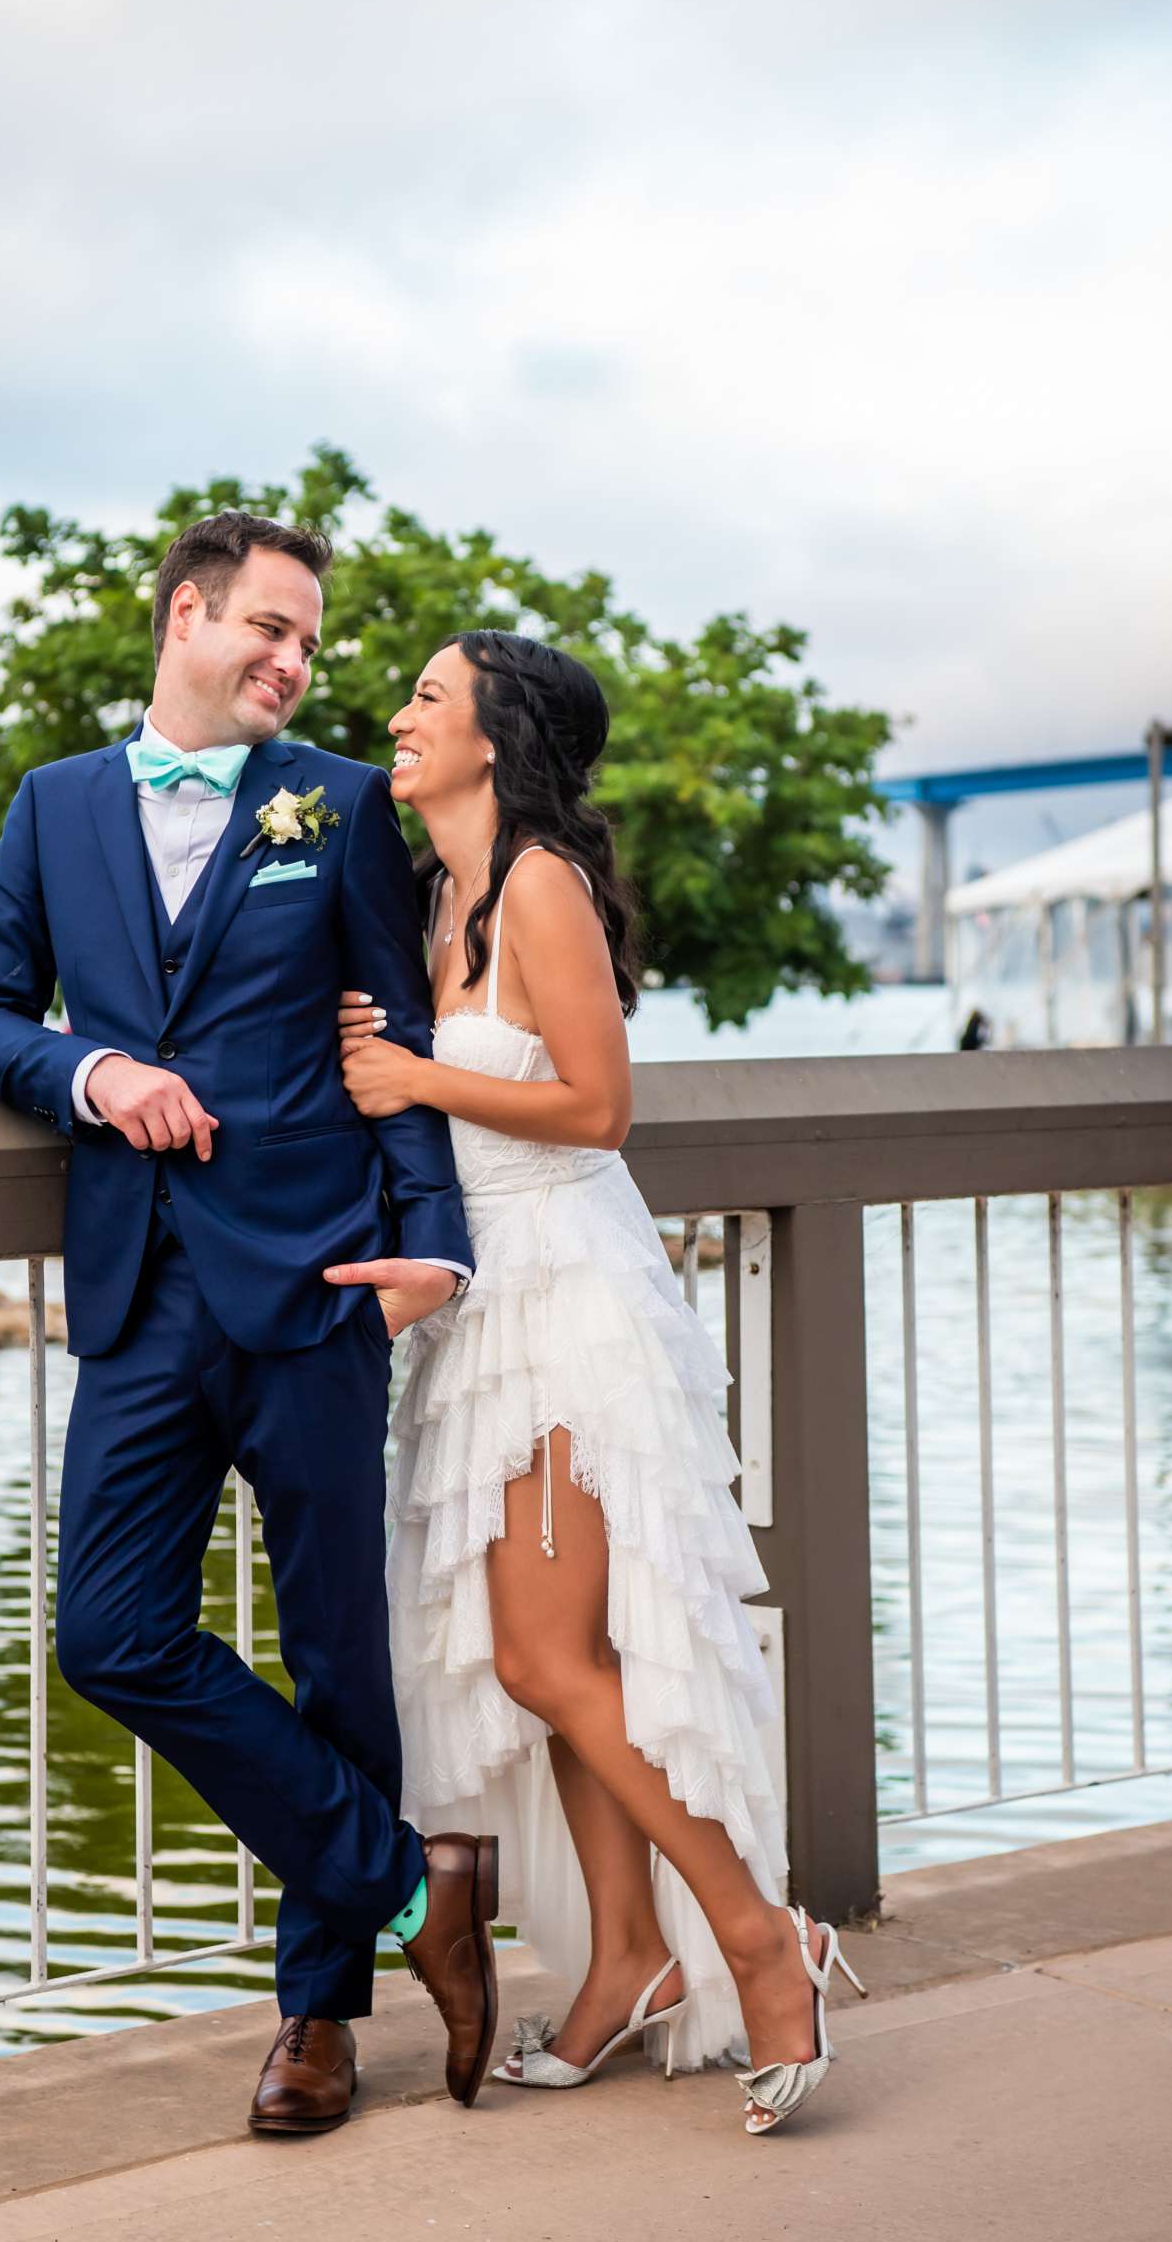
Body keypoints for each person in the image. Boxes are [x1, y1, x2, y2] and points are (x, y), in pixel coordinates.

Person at [0, 512, 499, 2140]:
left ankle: (317, 2022)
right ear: (185, 617)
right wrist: (90, 1074)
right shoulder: (51, 807)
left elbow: (390, 1035)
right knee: (107, 1636)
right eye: (266, 628)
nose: (291, 661)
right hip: (135, 1288)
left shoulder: (331, 803)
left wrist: (433, 1250)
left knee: (337, 1652)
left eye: (307, 643)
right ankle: (412, 1884)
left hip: (317, 1282)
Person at [337, 629, 865, 2137]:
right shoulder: (439, 897)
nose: (398, 718)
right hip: (473, 1306)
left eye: (427, 697)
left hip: (564, 1303)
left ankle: (762, 1945)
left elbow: (597, 1107)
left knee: (548, 1662)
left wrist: (416, 1075)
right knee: (561, 1665)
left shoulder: (540, 886)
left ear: (493, 737)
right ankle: (626, 1960)